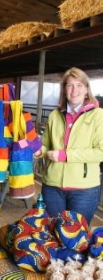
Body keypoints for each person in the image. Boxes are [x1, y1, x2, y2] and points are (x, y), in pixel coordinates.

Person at [34, 67, 103, 225]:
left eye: (79, 85)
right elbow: (46, 145)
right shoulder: (54, 115)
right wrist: (38, 151)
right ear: (64, 90)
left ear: (86, 89)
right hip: (52, 186)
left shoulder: (98, 116)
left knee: (77, 237)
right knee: (52, 232)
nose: (74, 90)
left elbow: (101, 151)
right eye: (70, 85)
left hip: (84, 190)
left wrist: (66, 155)